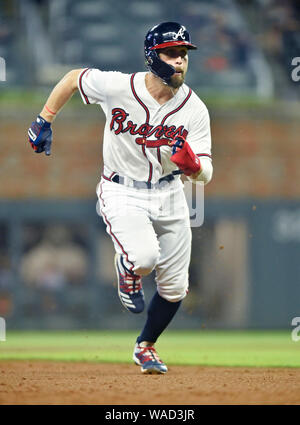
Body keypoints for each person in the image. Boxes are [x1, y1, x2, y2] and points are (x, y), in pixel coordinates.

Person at [28, 22, 213, 374]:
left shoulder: (195, 109)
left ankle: (145, 347)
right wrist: (44, 118)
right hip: (121, 188)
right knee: (143, 258)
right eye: (172, 53)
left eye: (184, 54)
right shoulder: (119, 86)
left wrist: (194, 168)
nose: (180, 61)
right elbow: (72, 78)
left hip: (171, 192)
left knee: (175, 287)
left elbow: (206, 170)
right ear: (152, 56)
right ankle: (127, 268)